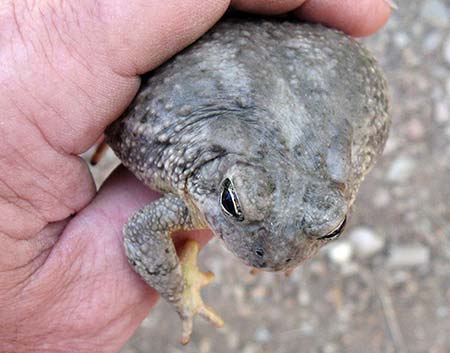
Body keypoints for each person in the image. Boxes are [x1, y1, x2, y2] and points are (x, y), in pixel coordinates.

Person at [0, 0, 392, 351]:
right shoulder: (209, 179)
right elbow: (141, 231)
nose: (269, 250)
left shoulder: (336, 165)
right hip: (198, 61)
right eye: (234, 204)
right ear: (225, 187)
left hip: (305, 63)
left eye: (327, 227)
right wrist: (178, 288)